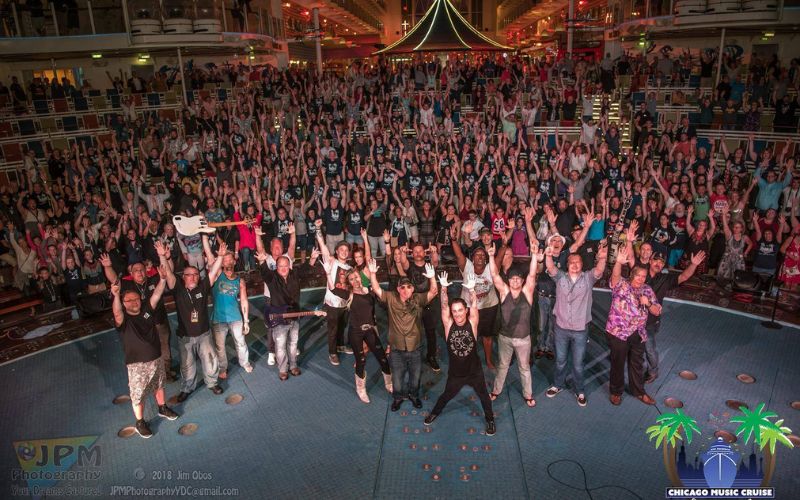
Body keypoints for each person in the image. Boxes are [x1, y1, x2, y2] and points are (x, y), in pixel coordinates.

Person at [424, 271, 495, 436]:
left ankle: (490, 419)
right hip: (456, 374)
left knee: (484, 397)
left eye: (460, 310)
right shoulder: (449, 326)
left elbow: (475, 306)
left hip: (474, 372)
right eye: (454, 311)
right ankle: (435, 412)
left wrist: (471, 291)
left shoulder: (473, 322)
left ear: (466, 311)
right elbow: (443, 306)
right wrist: (443, 288)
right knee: (446, 396)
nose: (457, 314)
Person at [111, 268, 179, 439]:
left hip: (156, 359)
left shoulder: (147, 311)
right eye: (129, 300)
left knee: (159, 385)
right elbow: (117, 312)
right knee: (138, 394)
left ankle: (162, 408)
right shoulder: (124, 320)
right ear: (124, 302)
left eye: (135, 299)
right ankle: (140, 421)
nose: (133, 302)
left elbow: (156, 295)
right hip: (137, 365)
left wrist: (162, 280)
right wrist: (116, 295)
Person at [367, 258, 438, 412]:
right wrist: (373, 274)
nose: (406, 290)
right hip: (397, 348)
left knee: (415, 377)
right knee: (397, 380)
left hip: (415, 348)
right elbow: (377, 289)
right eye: (403, 287)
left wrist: (432, 277)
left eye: (409, 287)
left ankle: (414, 395)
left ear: (413, 289)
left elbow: (433, 292)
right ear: (398, 289)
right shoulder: (391, 298)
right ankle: (398, 397)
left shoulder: (418, 299)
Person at [159, 240, 225, 403]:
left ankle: (212, 383)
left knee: (210, 361)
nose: (194, 277)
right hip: (185, 337)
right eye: (190, 274)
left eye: (196, 274)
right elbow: (167, 273)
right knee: (187, 365)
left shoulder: (203, 287)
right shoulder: (178, 289)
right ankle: (187, 388)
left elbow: (213, 271)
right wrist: (162, 256)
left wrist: (221, 257)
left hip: (204, 334)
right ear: (184, 277)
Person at [101, 253, 175, 381]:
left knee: (164, 347)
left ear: (146, 270)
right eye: (136, 271)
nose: (139, 273)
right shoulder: (127, 285)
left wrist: (167, 258)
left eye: (142, 270)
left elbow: (169, 271)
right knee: (147, 349)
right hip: (140, 326)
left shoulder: (154, 279)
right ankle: (151, 373)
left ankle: (166, 371)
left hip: (159, 321)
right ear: (131, 273)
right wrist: (108, 267)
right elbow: (114, 279)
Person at [606, 246, 661, 406]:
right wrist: (618, 262)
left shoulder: (648, 290)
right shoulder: (621, 285)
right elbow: (615, 276)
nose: (641, 279)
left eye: (643, 276)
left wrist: (648, 303)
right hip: (618, 332)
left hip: (638, 333)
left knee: (637, 363)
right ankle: (616, 392)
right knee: (618, 362)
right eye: (638, 276)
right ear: (632, 275)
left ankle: (639, 391)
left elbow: (657, 311)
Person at [487, 242, 540, 407]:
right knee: (503, 366)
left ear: (522, 281)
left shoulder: (527, 292)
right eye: (512, 278)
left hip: (524, 339)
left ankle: (528, 395)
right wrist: (490, 255)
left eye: (518, 278)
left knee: (524, 368)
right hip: (505, 338)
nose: (515, 281)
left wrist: (534, 255)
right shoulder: (504, 292)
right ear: (508, 280)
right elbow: (495, 275)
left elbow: (532, 275)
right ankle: (496, 390)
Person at [257, 246, 321, 381]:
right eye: (281, 266)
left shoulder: (294, 273)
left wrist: (313, 259)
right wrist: (262, 262)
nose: (284, 268)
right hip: (279, 319)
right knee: (280, 347)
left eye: (286, 265)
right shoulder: (272, 277)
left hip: (294, 317)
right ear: (276, 267)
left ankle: (293, 366)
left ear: (289, 266)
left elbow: (305, 269)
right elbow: (265, 273)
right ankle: (282, 370)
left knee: (293, 344)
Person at [643, 251, 705, 384]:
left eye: (661, 262)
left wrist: (693, 265)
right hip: (634, 319)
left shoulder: (665, 279)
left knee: (649, 348)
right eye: (656, 260)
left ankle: (653, 371)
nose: (658, 263)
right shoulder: (640, 274)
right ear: (650, 260)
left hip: (651, 322)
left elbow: (683, 276)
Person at [450, 224, 499, 370]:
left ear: (486, 259)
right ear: (472, 258)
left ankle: (488, 360)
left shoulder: (491, 267)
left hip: (488, 306)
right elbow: (459, 254)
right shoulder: (467, 266)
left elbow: (501, 255)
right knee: (468, 335)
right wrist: (453, 239)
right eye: (477, 255)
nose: (480, 257)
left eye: (483, 255)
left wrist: (504, 241)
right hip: (469, 307)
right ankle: (469, 361)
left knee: (487, 336)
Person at [344, 269, 393, 403]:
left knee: (382, 357)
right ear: (348, 282)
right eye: (351, 279)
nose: (355, 281)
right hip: (355, 332)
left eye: (356, 277)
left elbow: (382, 301)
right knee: (361, 361)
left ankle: (389, 383)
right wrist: (328, 274)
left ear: (360, 277)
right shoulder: (349, 294)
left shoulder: (369, 291)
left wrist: (373, 275)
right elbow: (332, 288)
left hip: (370, 329)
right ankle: (361, 389)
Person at [398, 242, 441, 371]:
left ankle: (431, 356)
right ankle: (411, 357)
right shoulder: (409, 266)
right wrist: (403, 251)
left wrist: (434, 251)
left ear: (424, 252)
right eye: (415, 251)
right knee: (412, 332)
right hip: (414, 304)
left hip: (429, 303)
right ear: (412, 253)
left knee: (430, 332)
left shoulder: (429, 265)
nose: (417, 253)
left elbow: (435, 261)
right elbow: (403, 261)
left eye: (420, 251)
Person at [211, 243, 252, 378]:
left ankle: (245, 362)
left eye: (230, 259)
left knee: (241, 343)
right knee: (220, 347)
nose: (227, 262)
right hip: (219, 318)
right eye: (225, 260)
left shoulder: (240, 281)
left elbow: (244, 301)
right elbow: (212, 261)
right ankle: (223, 368)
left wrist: (246, 320)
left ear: (234, 261)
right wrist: (206, 238)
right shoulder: (217, 275)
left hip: (235, 318)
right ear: (222, 263)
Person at [315, 222, 353, 365]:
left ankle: (340, 346)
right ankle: (332, 352)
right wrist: (318, 229)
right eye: (341, 249)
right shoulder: (331, 261)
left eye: (346, 249)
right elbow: (323, 246)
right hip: (332, 303)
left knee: (342, 326)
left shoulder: (350, 267)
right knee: (333, 329)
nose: (344, 251)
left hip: (344, 304)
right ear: (336, 251)